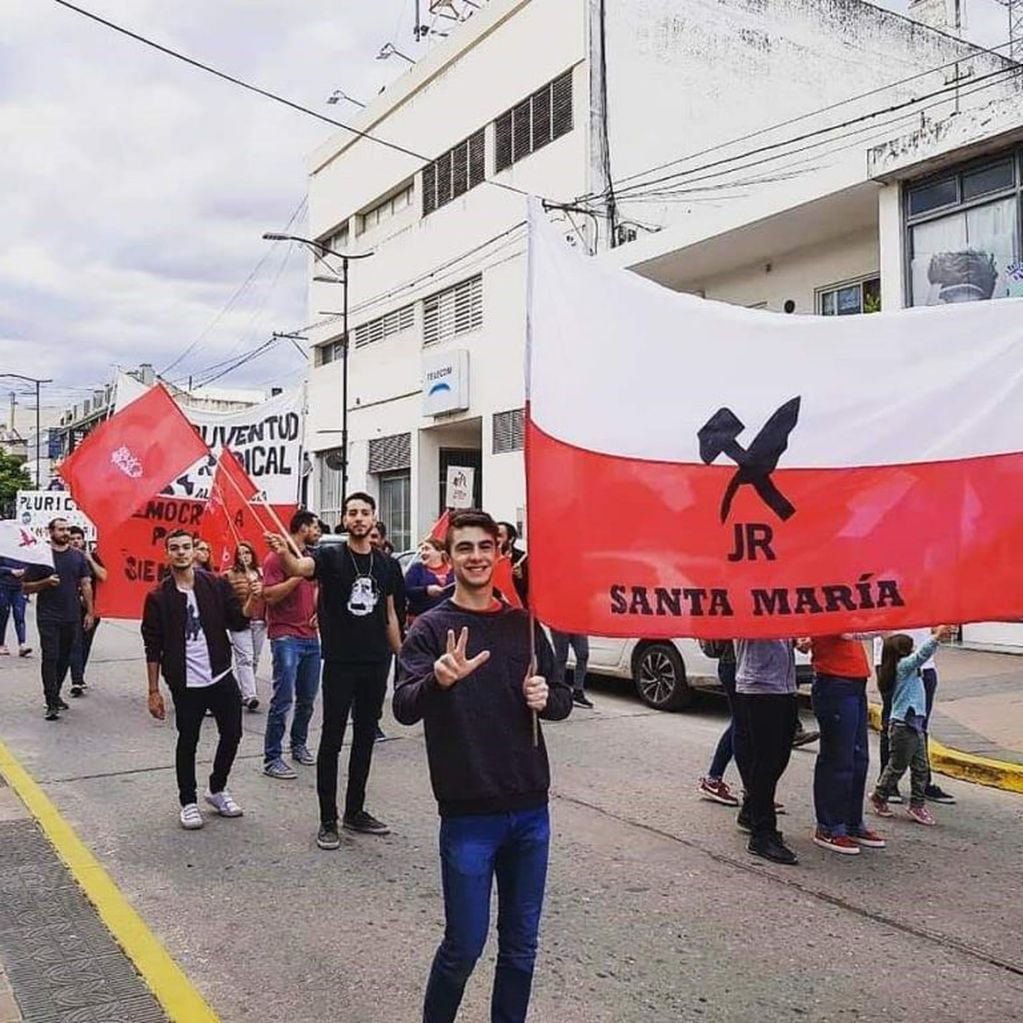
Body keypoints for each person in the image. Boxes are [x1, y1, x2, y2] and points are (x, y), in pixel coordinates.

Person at [395, 509, 572, 1023]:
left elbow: (560, 698)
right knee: (464, 946)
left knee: (521, 948)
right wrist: (438, 680)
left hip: (530, 812)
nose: (475, 557)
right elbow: (404, 706)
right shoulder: (430, 629)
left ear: (500, 554)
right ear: (449, 559)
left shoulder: (525, 626)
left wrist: (546, 697)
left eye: (484, 547)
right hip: (468, 814)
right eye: (464, 548)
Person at [267, 492, 402, 849]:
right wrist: (283, 550)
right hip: (341, 663)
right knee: (331, 741)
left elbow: (390, 615)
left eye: (365, 512)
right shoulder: (330, 556)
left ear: (374, 518)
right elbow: (299, 569)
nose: (359, 518)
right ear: (344, 520)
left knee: (365, 739)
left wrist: (404, 657)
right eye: (352, 513)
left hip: (376, 663)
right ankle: (328, 820)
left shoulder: (388, 565)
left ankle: (355, 811)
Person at [142, 529, 259, 830]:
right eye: (174, 548)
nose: (181, 552)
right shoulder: (158, 597)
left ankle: (217, 789)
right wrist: (154, 690)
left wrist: (253, 600)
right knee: (188, 740)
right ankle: (188, 801)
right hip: (186, 682)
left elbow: (237, 619)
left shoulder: (214, 585)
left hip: (220, 674)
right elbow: (152, 646)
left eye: (186, 547)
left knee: (232, 733)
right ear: (166, 554)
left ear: (195, 551)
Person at [806, 635, 886, 855]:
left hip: (853, 680)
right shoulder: (829, 608)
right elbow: (846, 633)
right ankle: (829, 826)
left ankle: (851, 821)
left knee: (858, 758)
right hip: (834, 680)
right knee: (838, 757)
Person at [871, 628, 953, 826]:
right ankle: (881, 794)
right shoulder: (905, 667)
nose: (915, 648)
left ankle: (917, 803)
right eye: (911, 647)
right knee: (898, 765)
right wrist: (936, 638)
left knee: (920, 767)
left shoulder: (905, 668)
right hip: (904, 725)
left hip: (913, 724)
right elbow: (922, 654)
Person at [261, 511, 321, 779]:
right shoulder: (275, 558)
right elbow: (269, 596)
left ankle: (299, 744)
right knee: (283, 698)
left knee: (307, 698)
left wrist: (320, 609)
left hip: (310, 636)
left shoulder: (312, 558)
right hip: (285, 635)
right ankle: (272, 757)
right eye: (315, 526)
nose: (318, 531)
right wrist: (298, 574)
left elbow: (319, 589)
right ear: (303, 527)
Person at [732, 639, 799, 865]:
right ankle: (762, 834)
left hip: (785, 683)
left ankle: (752, 808)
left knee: (780, 756)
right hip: (758, 684)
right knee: (766, 761)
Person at [21, 519, 93, 721]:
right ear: (50, 532)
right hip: (48, 616)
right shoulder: (42, 557)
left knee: (64, 656)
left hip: (71, 615)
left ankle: (56, 692)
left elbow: (86, 584)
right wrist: (45, 582)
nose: (66, 533)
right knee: (50, 656)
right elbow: (25, 587)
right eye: (61, 529)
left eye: (67, 529)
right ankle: (51, 701)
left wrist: (90, 612)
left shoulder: (78, 557)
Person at [697, 640, 741, 807]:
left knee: (744, 724)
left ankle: (756, 792)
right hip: (736, 664)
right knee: (744, 724)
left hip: (747, 664)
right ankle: (755, 792)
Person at [225, 542, 267, 711]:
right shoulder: (229, 575)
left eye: (248, 552)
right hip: (239, 621)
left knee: (254, 658)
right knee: (245, 658)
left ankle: (244, 691)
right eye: (241, 553)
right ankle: (250, 696)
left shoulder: (262, 574)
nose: (245, 556)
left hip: (259, 620)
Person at [67, 526, 107, 696]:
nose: (76, 541)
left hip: (92, 608)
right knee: (75, 643)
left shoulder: (93, 557)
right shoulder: (64, 557)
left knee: (85, 643)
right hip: (71, 608)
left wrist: (90, 559)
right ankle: (76, 680)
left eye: (78, 538)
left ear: (83, 540)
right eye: (72, 538)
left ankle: (79, 675)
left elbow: (103, 575)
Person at [404, 538, 454, 623]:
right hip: (421, 620)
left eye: (427, 549)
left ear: (440, 552)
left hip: (448, 619)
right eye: (422, 550)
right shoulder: (416, 569)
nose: (422, 553)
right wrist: (426, 590)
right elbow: (406, 590)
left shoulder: (454, 571)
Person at [550, 631, 592, 708]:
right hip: (560, 625)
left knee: (583, 654)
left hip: (578, 625)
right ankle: (559, 692)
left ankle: (577, 691)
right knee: (561, 658)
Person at [0, 556, 31, 657]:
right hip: (3, 586)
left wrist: (24, 571)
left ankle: (22, 644)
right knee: (3, 615)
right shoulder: (3, 551)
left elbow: (31, 564)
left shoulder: (22, 550)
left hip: (19, 587)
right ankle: (1, 644)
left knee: (19, 615)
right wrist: (10, 571)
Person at [496, 521, 528, 605]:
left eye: (499, 535)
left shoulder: (523, 559)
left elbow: (530, 589)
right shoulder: (486, 558)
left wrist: (520, 576)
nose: (495, 539)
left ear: (511, 539)